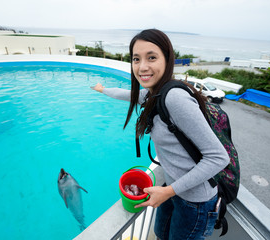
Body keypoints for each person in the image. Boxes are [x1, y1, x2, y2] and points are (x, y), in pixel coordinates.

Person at [93, 29, 229, 240]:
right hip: (174, 190)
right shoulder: (153, 93)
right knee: (160, 234)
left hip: (196, 202)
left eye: (152, 57)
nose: (142, 66)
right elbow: (130, 95)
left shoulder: (174, 98)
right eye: (136, 59)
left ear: (167, 59)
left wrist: (168, 192)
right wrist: (103, 90)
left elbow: (219, 157)